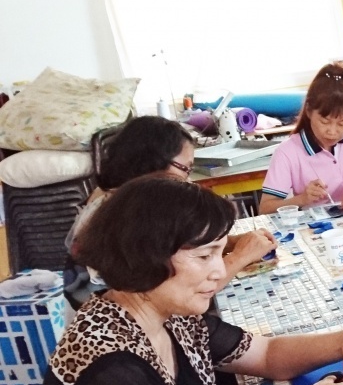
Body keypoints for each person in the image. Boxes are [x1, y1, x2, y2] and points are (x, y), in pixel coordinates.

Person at [44, 177, 343, 385]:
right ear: (147, 254)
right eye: (205, 256)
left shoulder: (168, 312)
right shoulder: (110, 366)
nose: (221, 272)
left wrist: (341, 340)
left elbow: (265, 355)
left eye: (221, 254)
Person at [64, 116, 276, 306]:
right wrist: (240, 257)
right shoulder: (132, 214)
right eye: (185, 169)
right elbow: (183, 289)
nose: (188, 179)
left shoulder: (118, 195)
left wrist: (229, 243)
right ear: (151, 163)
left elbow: (175, 246)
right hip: (112, 315)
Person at [260, 64, 343, 214]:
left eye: (342, 123)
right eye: (325, 122)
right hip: (317, 229)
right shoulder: (287, 152)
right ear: (309, 111)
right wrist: (302, 199)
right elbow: (265, 209)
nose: (332, 132)